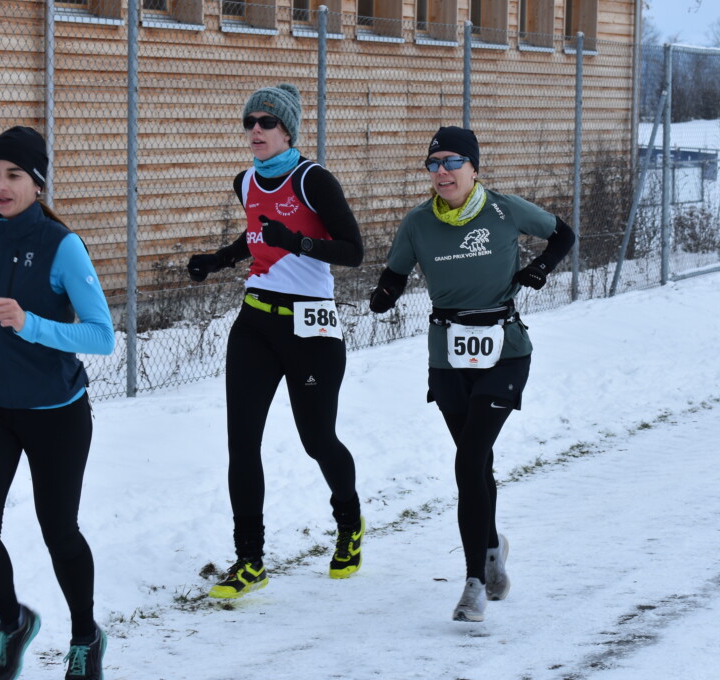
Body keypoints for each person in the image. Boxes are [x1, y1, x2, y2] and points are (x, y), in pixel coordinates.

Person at [367, 126, 575, 622]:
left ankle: (474, 584)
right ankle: (492, 549)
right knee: (476, 463)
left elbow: (563, 234)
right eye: (433, 163)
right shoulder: (418, 222)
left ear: (474, 168)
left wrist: (541, 268)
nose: (442, 171)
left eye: (452, 161)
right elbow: (396, 272)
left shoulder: (504, 210)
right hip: (448, 357)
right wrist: (385, 294)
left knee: (469, 461)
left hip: (505, 352)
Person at [0, 126, 115, 680]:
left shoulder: (63, 245)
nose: (1, 185)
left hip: (55, 410)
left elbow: (102, 335)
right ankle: (14, 622)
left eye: (14, 175)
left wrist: (31, 324)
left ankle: (85, 637)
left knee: (59, 530)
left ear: (37, 184)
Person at [186, 83, 365, 600]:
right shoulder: (245, 182)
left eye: (266, 122)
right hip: (255, 323)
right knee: (242, 443)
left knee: (317, 440)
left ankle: (349, 522)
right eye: (249, 122)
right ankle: (250, 560)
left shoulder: (313, 180)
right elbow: (256, 235)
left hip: (310, 329)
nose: (256, 130)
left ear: (288, 130)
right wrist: (218, 260)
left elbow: (353, 251)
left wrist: (300, 243)